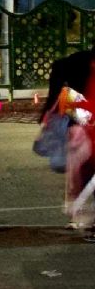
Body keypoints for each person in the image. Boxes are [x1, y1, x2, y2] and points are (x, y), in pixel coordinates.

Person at [40, 44, 95, 240]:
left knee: (78, 175)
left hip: (78, 127)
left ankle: (76, 216)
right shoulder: (89, 68)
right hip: (87, 129)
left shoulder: (74, 61)